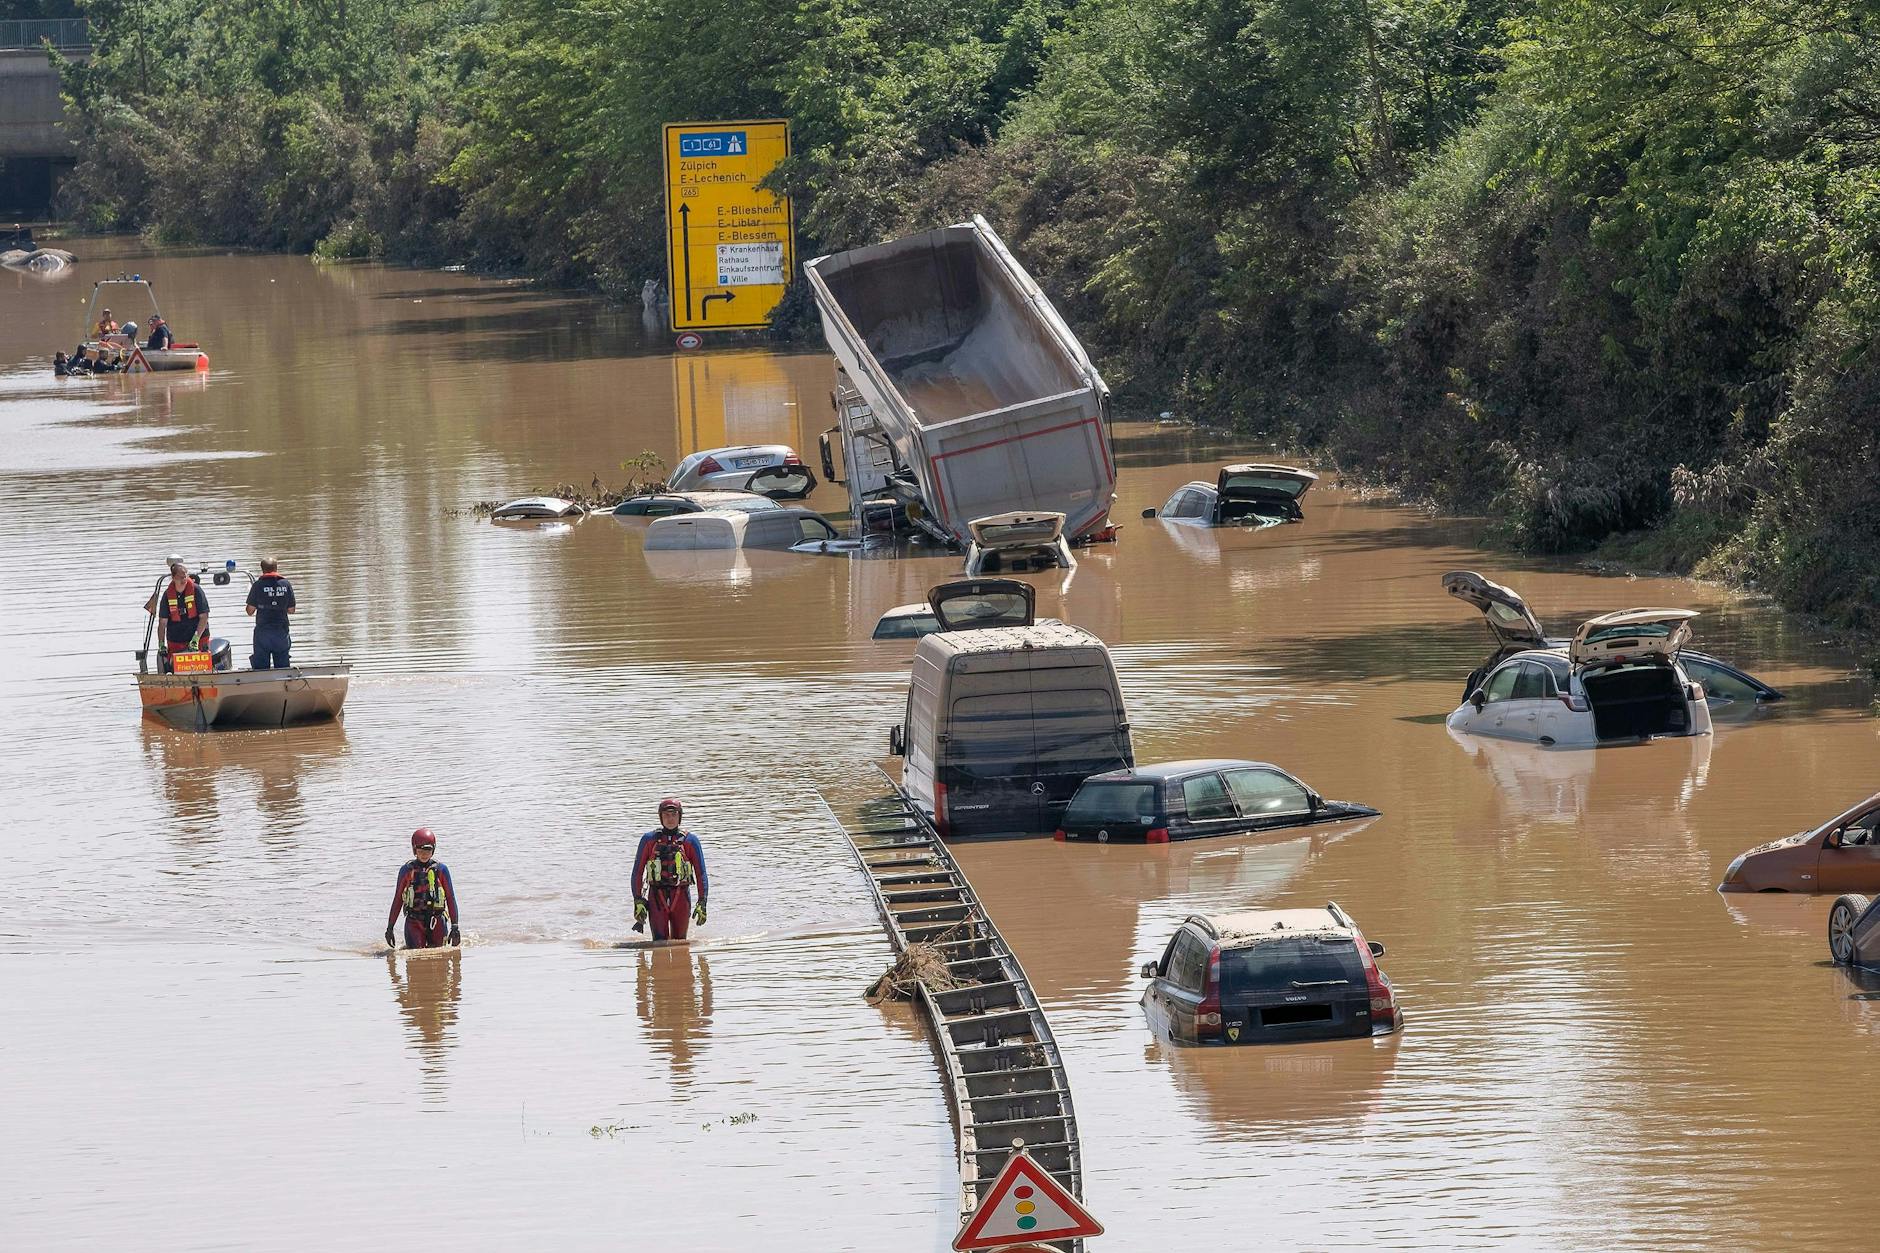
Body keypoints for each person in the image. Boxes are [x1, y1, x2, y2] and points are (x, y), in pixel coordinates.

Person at [632, 798, 709, 941]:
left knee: (680, 943)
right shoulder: (648, 840)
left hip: (681, 897)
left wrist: (702, 902)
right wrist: (638, 900)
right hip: (656, 897)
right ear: (660, 817)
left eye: (674, 814)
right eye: (666, 815)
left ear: (680, 816)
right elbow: (637, 872)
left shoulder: (691, 841)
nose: (670, 819)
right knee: (659, 942)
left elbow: (701, 873)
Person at [385, 828, 461, 950]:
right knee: (414, 957)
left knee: (440, 959)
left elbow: (451, 898)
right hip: (414, 922)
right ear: (414, 850)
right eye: (420, 851)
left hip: (437, 921)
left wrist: (455, 926)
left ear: (433, 849)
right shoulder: (406, 870)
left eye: (428, 850)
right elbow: (398, 899)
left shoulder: (442, 870)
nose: (424, 854)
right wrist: (390, 927)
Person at [144, 557, 209, 671]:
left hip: (197, 639)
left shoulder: (196, 591)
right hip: (176, 641)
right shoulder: (167, 596)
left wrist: (196, 638)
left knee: (200, 666)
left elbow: (204, 617)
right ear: (173, 578)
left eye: (185, 576)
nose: (184, 579)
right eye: (180, 577)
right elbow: (162, 623)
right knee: (171, 665)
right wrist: (161, 644)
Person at [244, 557, 296, 669]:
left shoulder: (257, 585)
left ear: (262, 570)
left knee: (261, 670)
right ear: (276, 568)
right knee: (283, 670)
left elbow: (250, 611)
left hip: (263, 633)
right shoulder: (286, 584)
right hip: (281, 632)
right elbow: (291, 610)